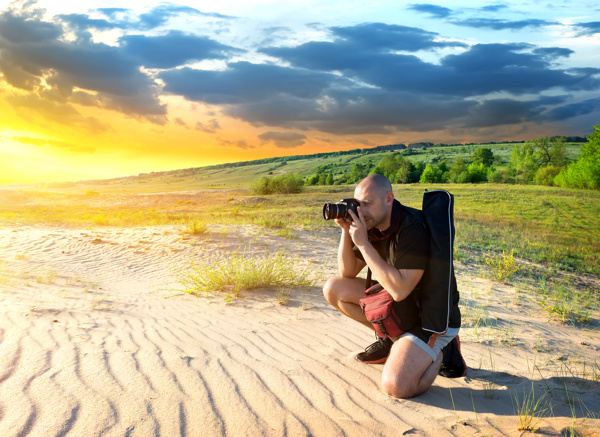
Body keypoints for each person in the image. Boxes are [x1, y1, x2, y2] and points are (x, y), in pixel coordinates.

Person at [323, 174, 466, 399]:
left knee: (396, 387)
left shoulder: (413, 227)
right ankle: (393, 340)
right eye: (358, 204)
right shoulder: (371, 224)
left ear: (389, 199)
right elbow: (347, 273)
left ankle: (441, 352)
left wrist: (362, 243)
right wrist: (345, 231)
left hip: (429, 318)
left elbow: (400, 290)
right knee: (334, 288)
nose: (361, 210)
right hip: (402, 308)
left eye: (368, 204)